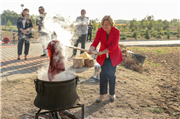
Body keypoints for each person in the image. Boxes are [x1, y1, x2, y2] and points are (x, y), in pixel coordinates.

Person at [88, 15, 123, 102]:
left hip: (113, 56)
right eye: (103, 24)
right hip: (103, 57)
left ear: (111, 24)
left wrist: (102, 52)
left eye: (106, 24)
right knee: (103, 75)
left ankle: (112, 94)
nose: (104, 26)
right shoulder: (100, 30)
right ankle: (101, 95)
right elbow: (95, 42)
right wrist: (91, 49)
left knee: (111, 75)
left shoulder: (116, 31)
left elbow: (114, 46)